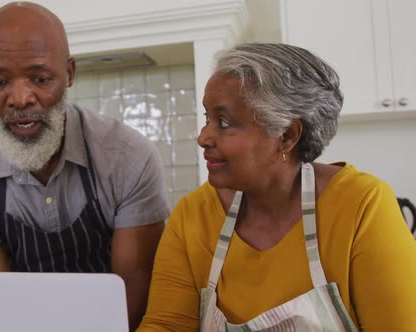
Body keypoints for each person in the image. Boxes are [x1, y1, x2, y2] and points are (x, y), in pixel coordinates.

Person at [137, 43, 416, 331]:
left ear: (287, 136)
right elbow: (166, 325)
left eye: (224, 122)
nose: (203, 137)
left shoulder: (361, 205)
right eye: (208, 119)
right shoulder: (192, 215)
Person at [0, 2, 169, 330]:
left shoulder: (126, 156)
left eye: (40, 78)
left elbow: (134, 289)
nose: (19, 98)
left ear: (69, 73)